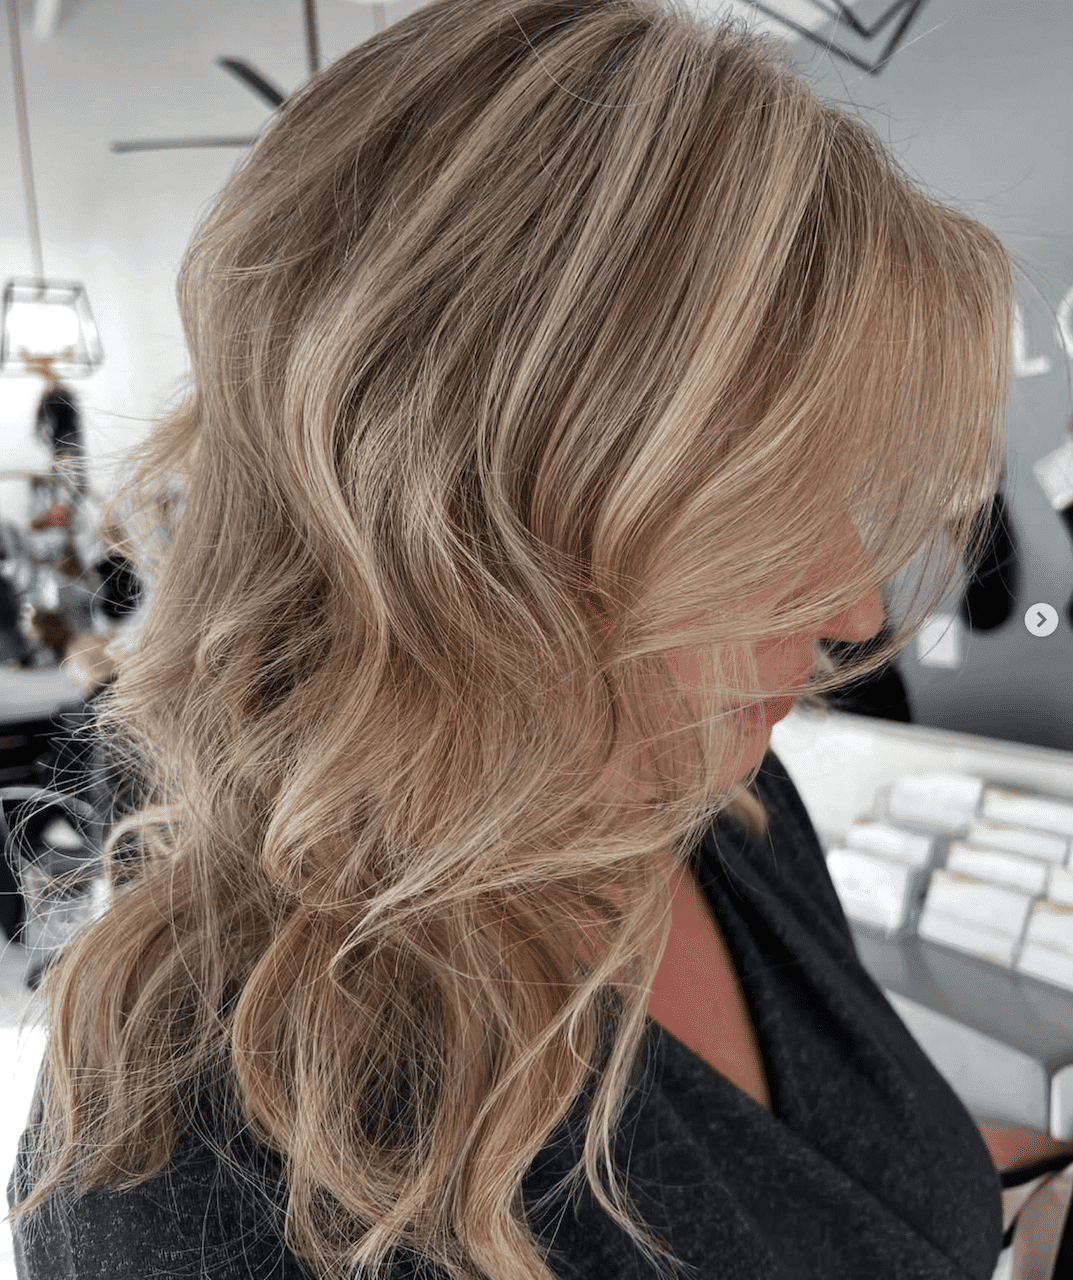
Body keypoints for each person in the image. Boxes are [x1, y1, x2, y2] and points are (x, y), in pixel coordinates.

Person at [5, 1, 1065, 1277]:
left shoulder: (711, 806)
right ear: (465, 533)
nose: (852, 609)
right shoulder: (194, 1173)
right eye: (755, 508)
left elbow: (843, 1186)